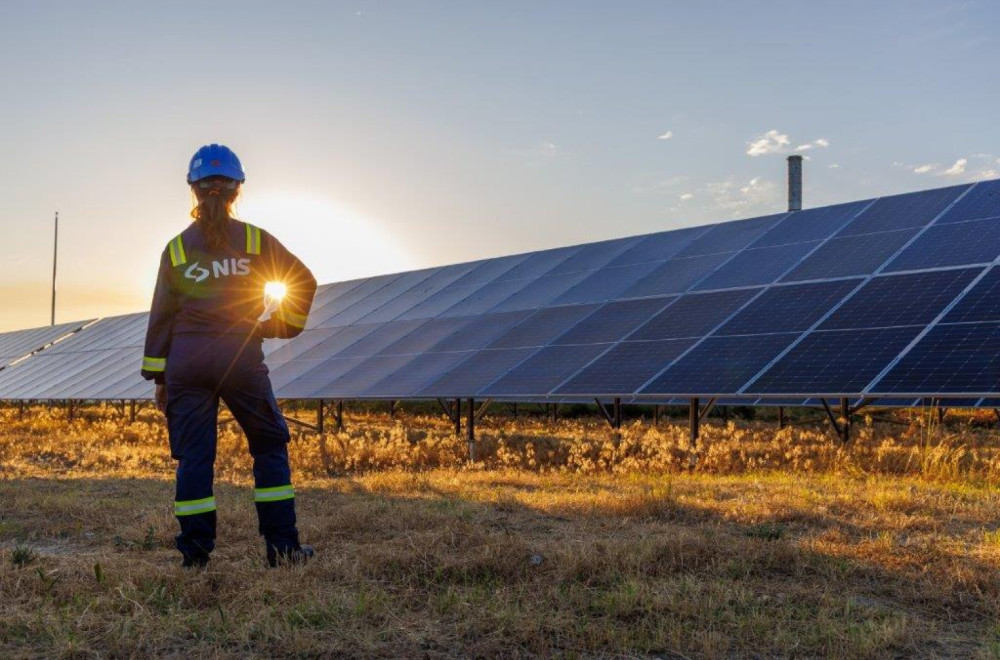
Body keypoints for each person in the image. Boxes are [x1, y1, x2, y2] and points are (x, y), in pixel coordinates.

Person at [140, 144, 318, 568]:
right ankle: (283, 548)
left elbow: (162, 315)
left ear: (194, 189)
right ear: (237, 188)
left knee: (195, 458)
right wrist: (276, 326)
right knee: (269, 445)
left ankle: (196, 557)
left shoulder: (177, 250)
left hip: (187, 362)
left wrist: (160, 379)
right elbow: (303, 281)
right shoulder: (256, 240)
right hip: (240, 358)